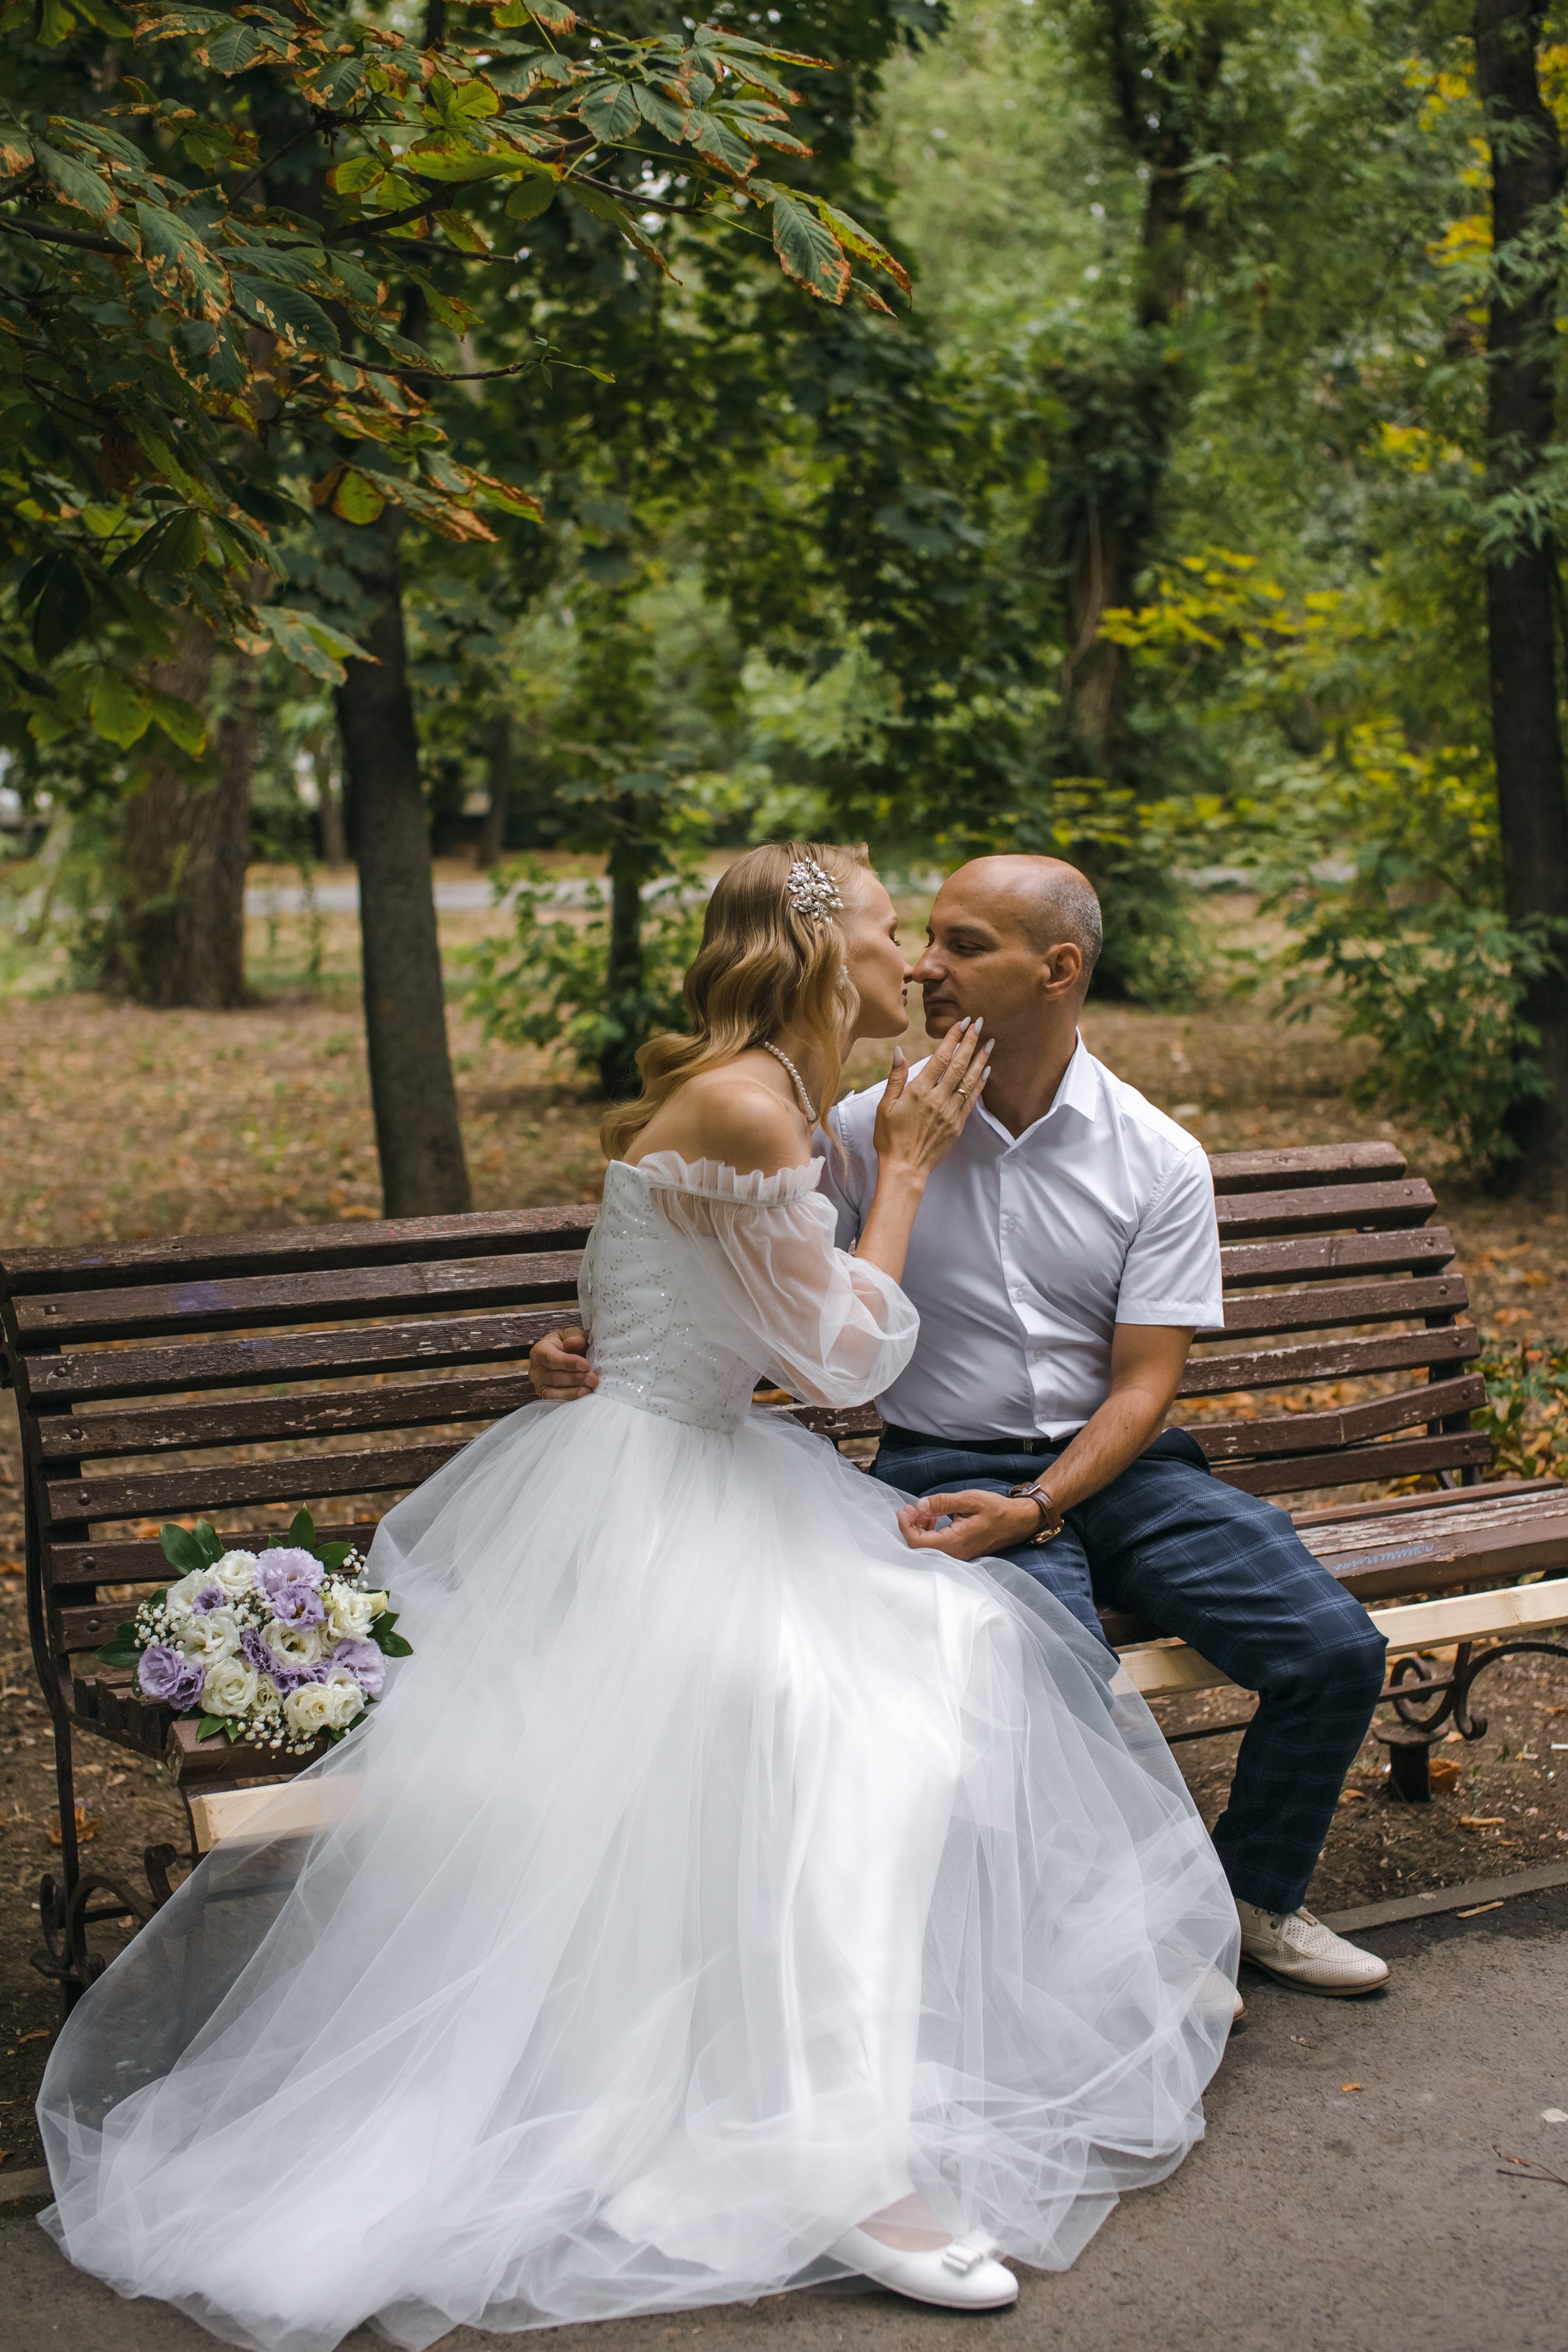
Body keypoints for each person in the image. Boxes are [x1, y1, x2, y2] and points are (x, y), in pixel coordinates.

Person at [39, 843, 1237, 2352]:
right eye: (892, 933)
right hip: (654, 1507)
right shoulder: (752, 1101)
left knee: (934, 1676)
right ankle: (839, 2158)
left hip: (711, 1470)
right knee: (836, 1728)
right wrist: (914, 1175)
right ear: (820, 955)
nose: (917, 963)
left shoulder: (787, 1101)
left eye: (937, 940)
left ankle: (824, 2092)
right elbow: (846, 1366)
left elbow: (673, 1296)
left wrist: (592, 1339)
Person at [533, 854, 1392, 2000]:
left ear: (1060, 970)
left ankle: (1249, 1904)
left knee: (1333, 1649)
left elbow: (1143, 1389)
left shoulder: (1156, 1158)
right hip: (938, 1460)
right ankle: (1082, 1958)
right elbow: (737, 1270)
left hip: (1115, 1466)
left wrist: (1044, 1504)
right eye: (920, 938)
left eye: (966, 946)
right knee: (1035, 1675)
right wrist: (597, 1342)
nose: (929, 966)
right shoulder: (853, 1129)